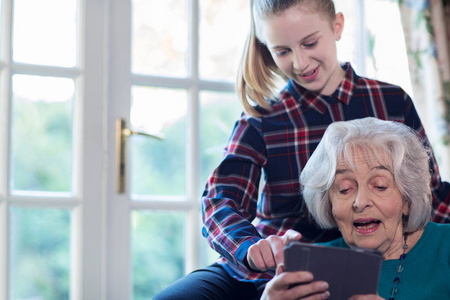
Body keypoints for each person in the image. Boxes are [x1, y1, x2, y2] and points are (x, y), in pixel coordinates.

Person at [154, 1, 450, 299]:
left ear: (337, 27)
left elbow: (430, 193)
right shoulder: (261, 118)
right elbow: (219, 201)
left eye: (310, 43)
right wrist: (249, 248)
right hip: (264, 270)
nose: (300, 62)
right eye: (282, 51)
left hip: (352, 266)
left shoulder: (391, 101)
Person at [261, 117, 450, 300]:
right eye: (345, 189)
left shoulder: (445, 245)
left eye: (380, 185)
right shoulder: (311, 266)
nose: (360, 202)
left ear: (407, 200)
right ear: (328, 203)